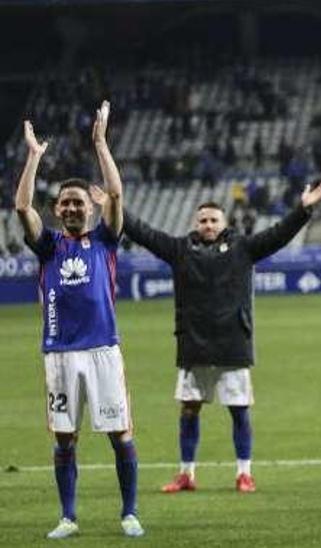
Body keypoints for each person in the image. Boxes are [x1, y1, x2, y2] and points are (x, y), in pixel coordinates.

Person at [124, 176, 321, 494]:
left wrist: (302, 210)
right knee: (189, 409)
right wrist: (114, 207)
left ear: (225, 222)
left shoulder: (242, 249)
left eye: (213, 220)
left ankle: (244, 473)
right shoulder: (180, 250)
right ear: (196, 223)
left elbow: (278, 235)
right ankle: (186, 474)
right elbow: (144, 234)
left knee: (239, 410)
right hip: (194, 345)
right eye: (203, 220)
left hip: (233, 344)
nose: (208, 224)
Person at [17, 106, 144, 538]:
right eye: (66, 203)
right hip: (59, 355)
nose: (72, 207)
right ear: (57, 209)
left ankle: (129, 512)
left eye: (79, 202)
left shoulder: (106, 239)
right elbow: (21, 207)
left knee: (119, 435)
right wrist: (34, 156)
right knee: (65, 439)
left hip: (104, 350)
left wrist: (100, 144)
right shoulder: (49, 246)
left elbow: (118, 194)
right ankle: (68, 517)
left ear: (91, 209)